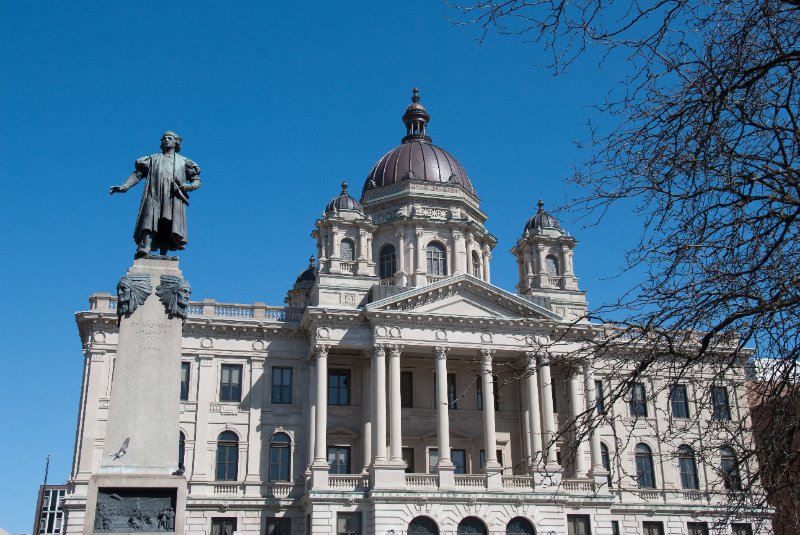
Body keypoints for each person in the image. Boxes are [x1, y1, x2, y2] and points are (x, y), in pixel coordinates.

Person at [110, 131, 202, 257]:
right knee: (150, 217)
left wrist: (189, 187)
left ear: (176, 142)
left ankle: (163, 254)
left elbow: (197, 180)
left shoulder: (184, 161)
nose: (166, 140)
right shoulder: (152, 159)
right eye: (164, 138)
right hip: (154, 192)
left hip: (172, 196)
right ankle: (146, 247)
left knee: (168, 222)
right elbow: (138, 174)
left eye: (170, 138)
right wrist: (125, 186)